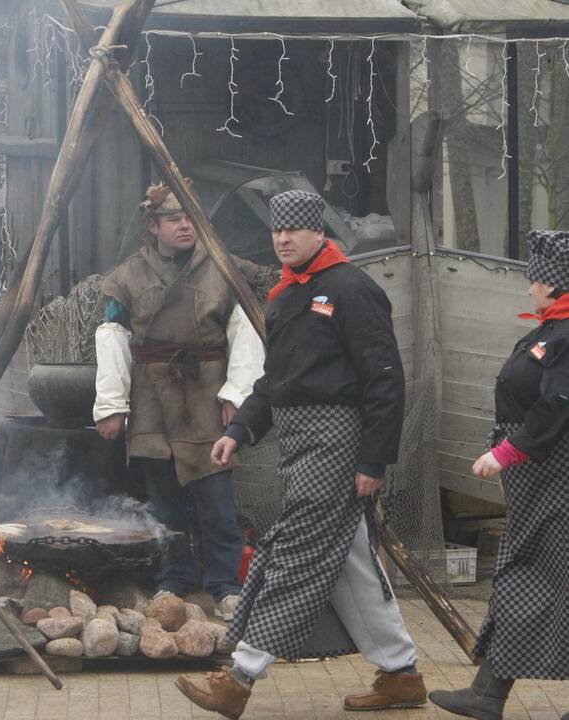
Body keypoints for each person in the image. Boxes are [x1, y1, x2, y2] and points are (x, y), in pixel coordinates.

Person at [175, 190, 424, 717]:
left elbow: (385, 379)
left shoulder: (353, 289)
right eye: (276, 231)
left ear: (318, 233)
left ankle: (239, 677)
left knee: (292, 553)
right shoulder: (286, 296)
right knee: (352, 559)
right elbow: (277, 381)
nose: (283, 239)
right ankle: (401, 674)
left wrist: (373, 461)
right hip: (298, 441)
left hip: (338, 441)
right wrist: (241, 429)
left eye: (293, 231)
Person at [93, 181, 264, 619]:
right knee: (164, 501)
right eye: (174, 219)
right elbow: (113, 335)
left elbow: (244, 331)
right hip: (150, 396)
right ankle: (174, 579)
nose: (185, 225)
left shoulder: (223, 271)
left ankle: (226, 586)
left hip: (206, 394)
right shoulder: (128, 276)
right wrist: (112, 404)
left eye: (190, 218)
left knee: (216, 502)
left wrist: (237, 395)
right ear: (153, 226)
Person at [428, 229, 569, 720]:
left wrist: (509, 451)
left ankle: (490, 693)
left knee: (536, 577)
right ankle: (489, 692)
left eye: (535, 277)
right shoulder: (550, 330)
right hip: (538, 482)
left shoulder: (566, 333)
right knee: (530, 577)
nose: (529, 284)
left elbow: (557, 405)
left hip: (553, 477)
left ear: (553, 282)